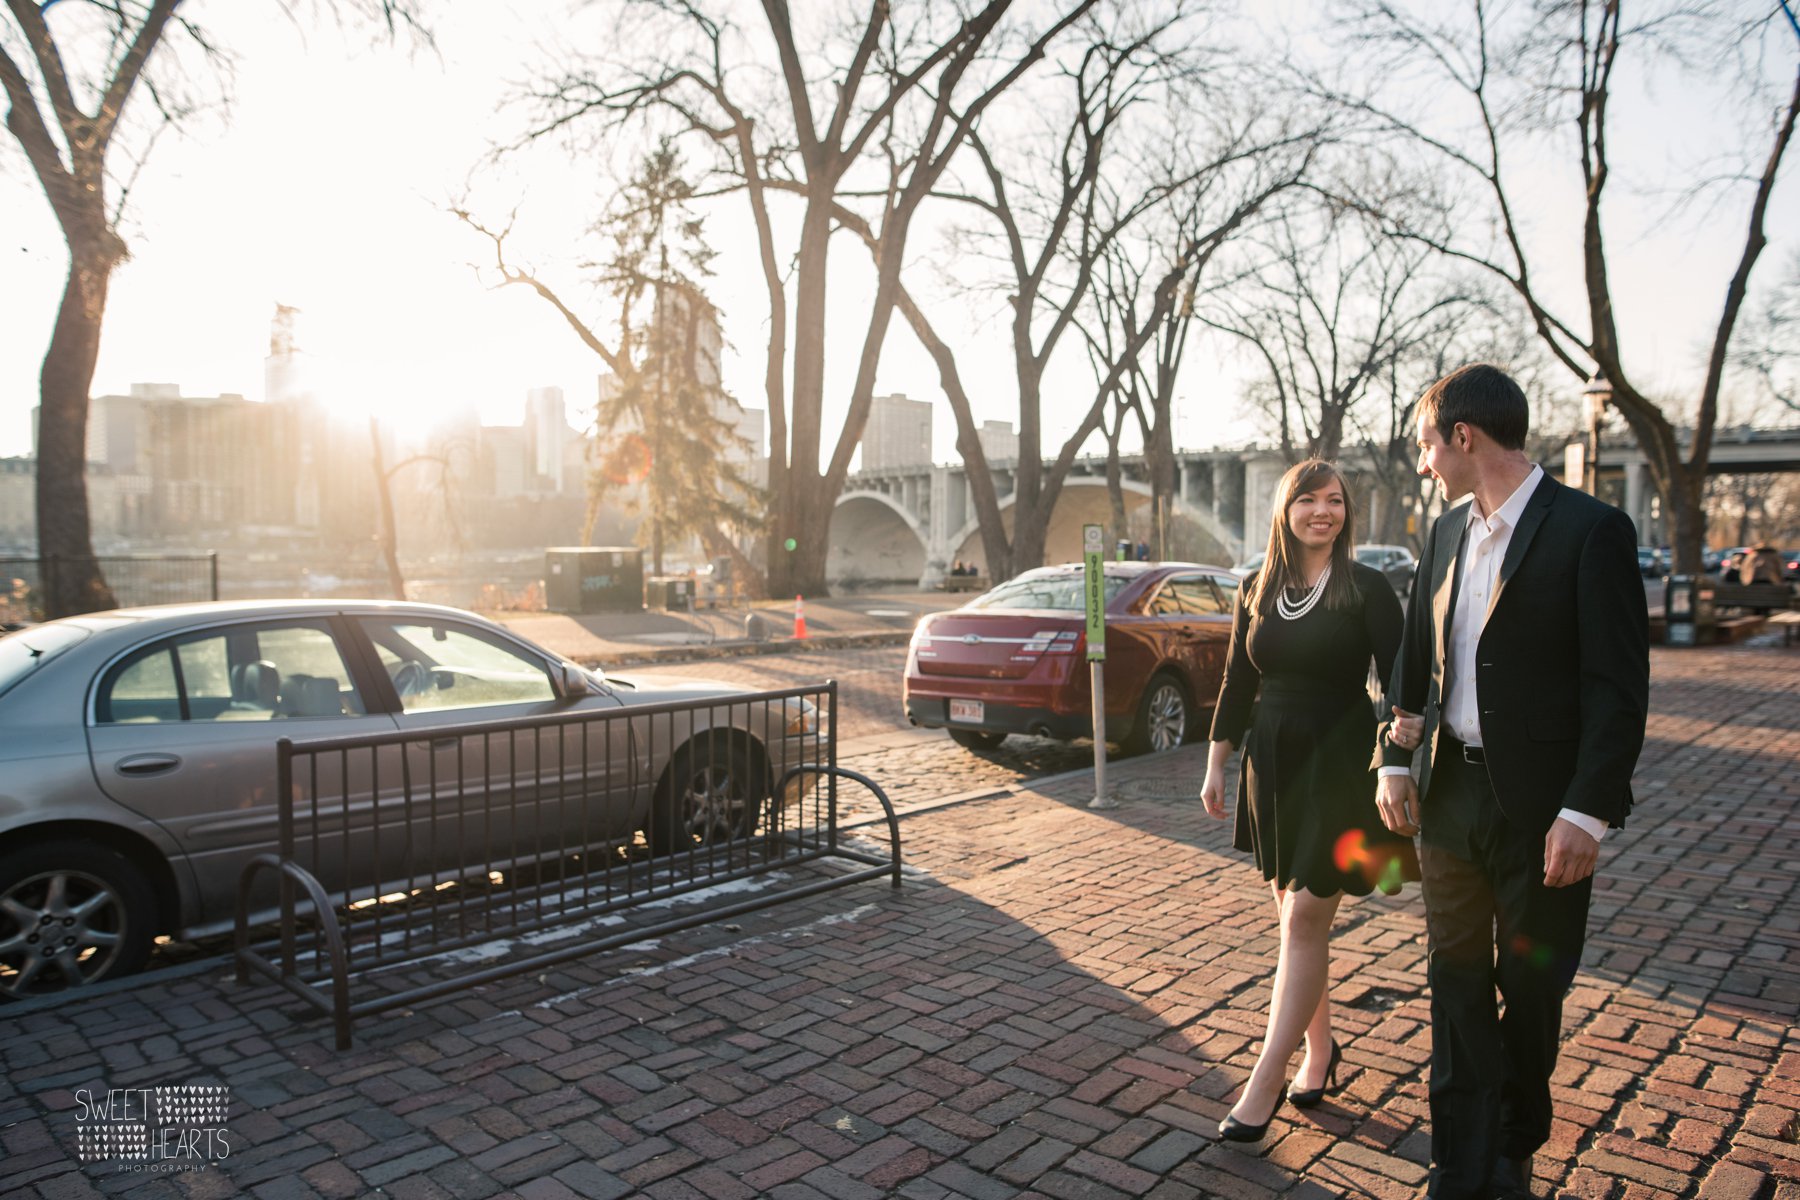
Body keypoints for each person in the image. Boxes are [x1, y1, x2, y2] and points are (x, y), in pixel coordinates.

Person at [1375, 364, 1649, 1199]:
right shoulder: (1444, 534)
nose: (1424, 464)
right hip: (1449, 797)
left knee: (1532, 987)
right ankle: (1463, 1159)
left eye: (1427, 444)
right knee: (1453, 975)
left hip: (1543, 811)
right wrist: (1392, 759)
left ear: (1465, 437)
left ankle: (1516, 1137)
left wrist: (1587, 812)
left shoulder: (1591, 530)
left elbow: (1617, 687)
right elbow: (1413, 663)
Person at [1199, 458, 1418, 1144]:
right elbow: (1237, 681)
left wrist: (1400, 749)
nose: (1323, 511)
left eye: (1335, 501)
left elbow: (1405, 674)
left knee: (1304, 924)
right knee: (1295, 924)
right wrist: (1216, 766)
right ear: (1284, 510)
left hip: (1341, 761)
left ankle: (1264, 1079)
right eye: (1309, 500)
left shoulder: (1367, 587)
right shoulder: (1255, 587)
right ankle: (1321, 1051)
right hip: (1273, 762)